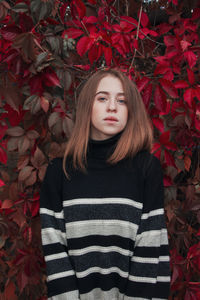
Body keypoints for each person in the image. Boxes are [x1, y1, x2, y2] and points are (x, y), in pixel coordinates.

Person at [39, 69, 171, 300]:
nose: (112, 107)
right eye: (102, 98)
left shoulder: (146, 169)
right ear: (87, 106)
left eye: (122, 101)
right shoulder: (58, 172)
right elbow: (55, 249)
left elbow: (150, 245)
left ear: (131, 111)